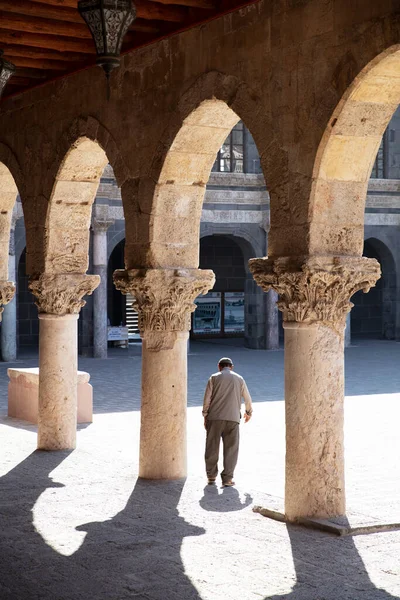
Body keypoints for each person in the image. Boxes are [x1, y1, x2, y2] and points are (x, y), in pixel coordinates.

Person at [202, 357, 253, 487]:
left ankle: (211, 476)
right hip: (233, 418)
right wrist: (249, 412)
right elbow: (247, 397)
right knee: (231, 449)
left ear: (219, 366)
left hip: (215, 418)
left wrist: (205, 415)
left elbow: (207, 398)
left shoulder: (213, 377)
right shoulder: (239, 378)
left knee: (212, 447)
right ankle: (227, 479)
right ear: (232, 366)